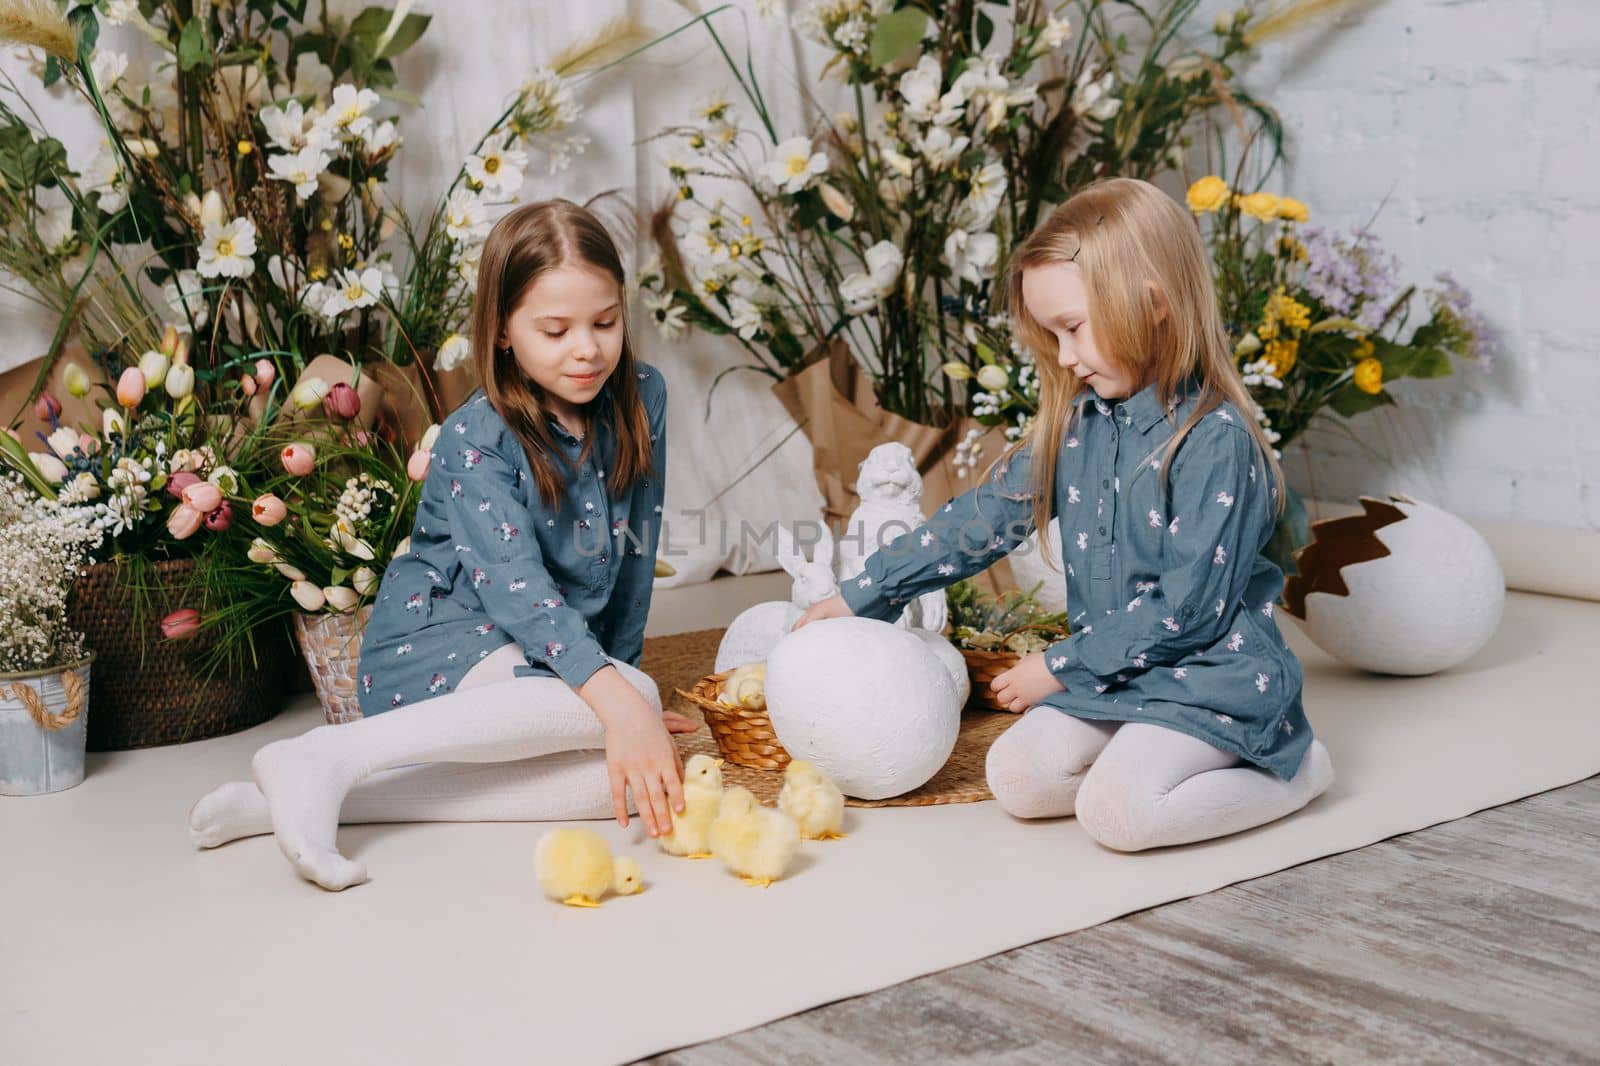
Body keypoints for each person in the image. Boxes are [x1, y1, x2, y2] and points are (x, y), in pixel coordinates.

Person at [794, 177, 1334, 851]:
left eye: (1073, 329)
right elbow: (985, 517)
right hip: (1114, 675)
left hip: (1205, 680)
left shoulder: (1214, 441)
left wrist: (1058, 666)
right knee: (1015, 779)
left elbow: (1186, 610)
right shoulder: (1079, 423)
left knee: (1120, 817)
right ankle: (1143, 754)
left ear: (1154, 302)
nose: (1066, 357)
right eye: (1053, 336)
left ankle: (1295, 772)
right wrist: (863, 593)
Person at [189, 200, 693, 890]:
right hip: (435, 647)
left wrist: (619, 688)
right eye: (555, 329)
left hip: (536, 657)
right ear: (505, 331)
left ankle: (291, 789)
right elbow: (520, 591)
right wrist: (617, 696)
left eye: (605, 322)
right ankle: (336, 752)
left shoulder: (642, 395)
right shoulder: (475, 437)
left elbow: (636, 553)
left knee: (619, 785)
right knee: (626, 701)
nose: (588, 348)